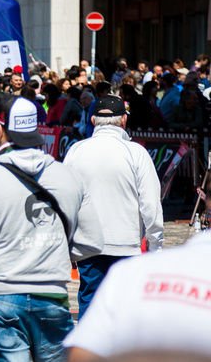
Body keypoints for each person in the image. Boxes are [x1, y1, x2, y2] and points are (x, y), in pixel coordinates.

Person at [0, 95, 103, 362]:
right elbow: (93, 241)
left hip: (1, 293)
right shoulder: (68, 176)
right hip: (51, 293)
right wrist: (55, 248)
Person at [63, 95, 163, 318]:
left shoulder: (76, 151)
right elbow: (151, 204)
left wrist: (66, 241)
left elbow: (65, 199)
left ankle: (89, 350)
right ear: (124, 120)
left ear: (92, 121)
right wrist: (156, 245)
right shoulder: (136, 153)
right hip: (126, 244)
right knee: (125, 308)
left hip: (87, 244)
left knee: (90, 306)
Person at [64, 232, 211, 361]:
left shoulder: (131, 271)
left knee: (89, 298)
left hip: (93, 245)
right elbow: (150, 208)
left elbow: (83, 353)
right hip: (125, 243)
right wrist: (155, 242)